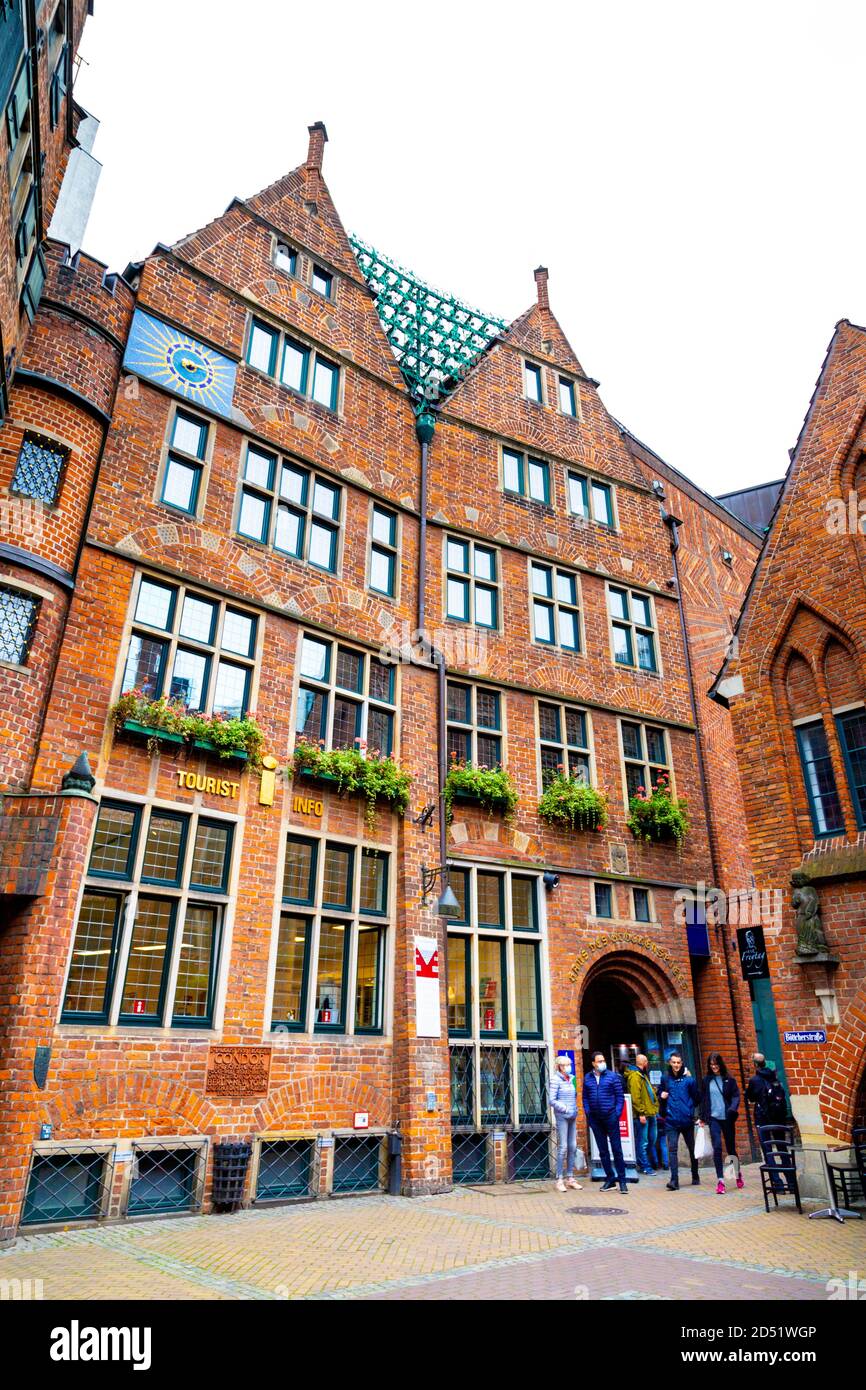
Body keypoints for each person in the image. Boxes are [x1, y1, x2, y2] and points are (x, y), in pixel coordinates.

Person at [582, 1049, 628, 1194]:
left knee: (617, 1149)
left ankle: (622, 1181)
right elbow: (585, 1097)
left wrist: (616, 1113)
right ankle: (610, 1179)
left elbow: (620, 1097)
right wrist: (588, 1113)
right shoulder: (587, 1078)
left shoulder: (613, 1076)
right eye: (599, 1061)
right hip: (595, 1119)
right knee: (603, 1151)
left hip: (610, 1117)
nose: (602, 1063)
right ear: (593, 1064)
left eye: (603, 1061)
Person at [746, 1053, 791, 1193]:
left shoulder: (755, 1080)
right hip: (778, 1119)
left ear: (754, 1064)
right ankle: (791, 1182)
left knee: (768, 1151)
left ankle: (777, 1185)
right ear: (765, 1063)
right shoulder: (774, 1077)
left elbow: (750, 1097)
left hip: (763, 1119)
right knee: (782, 1149)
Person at [699, 1052, 743, 1194]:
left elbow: (736, 1095)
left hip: (727, 1118)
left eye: (716, 1065)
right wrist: (702, 1117)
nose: (714, 1067)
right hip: (714, 1118)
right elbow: (703, 1099)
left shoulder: (728, 1079)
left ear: (720, 1064)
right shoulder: (706, 1080)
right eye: (711, 1065)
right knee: (717, 1147)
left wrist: (732, 1108)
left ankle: (737, 1173)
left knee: (730, 1148)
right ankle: (721, 1181)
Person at [659, 1051, 700, 1190]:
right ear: (670, 1063)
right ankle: (674, 1180)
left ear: (681, 1064)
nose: (676, 1065)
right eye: (673, 1062)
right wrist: (661, 1095)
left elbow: (697, 1098)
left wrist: (690, 1111)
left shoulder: (689, 1080)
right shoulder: (665, 1079)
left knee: (692, 1149)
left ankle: (695, 1174)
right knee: (672, 1150)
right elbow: (660, 1094)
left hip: (687, 1121)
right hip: (671, 1121)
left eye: (678, 1062)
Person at [549, 1054, 583, 1193]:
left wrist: (574, 1109)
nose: (568, 1067)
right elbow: (552, 1100)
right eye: (565, 1065)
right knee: (562, 1147)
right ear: (559, 1067)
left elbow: (574, 1096)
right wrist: (565, 1108)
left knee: (572, 1146)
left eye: (569, 1064)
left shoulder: (572, 1079)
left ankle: (570, 1177)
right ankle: (559, 1179)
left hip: (572, 1115)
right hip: (562, 1116)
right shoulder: (555, 1079)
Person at [624, 1052, 660, 1176]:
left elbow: (645, 1094)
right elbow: (635, 1097)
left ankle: (649, 1163)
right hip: (643, 1115)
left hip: (651, 1113)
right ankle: (644, 1166)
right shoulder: (635, 1076)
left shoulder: (641, 1075)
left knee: (651, 1140)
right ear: (645, 1063)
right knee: (643, 1142)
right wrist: (641, 1113)